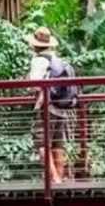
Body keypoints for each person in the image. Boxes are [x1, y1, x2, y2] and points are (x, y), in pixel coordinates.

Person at [27, 27, 77, 184]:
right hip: (61, 109)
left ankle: (55, 182)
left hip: (47, 107)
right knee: (57, 145)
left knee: (42, 145)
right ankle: (60, 180)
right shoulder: (58, 60)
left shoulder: (39, 60)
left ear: (35, 45)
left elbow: (35, 85)